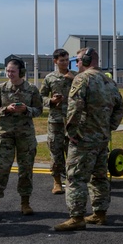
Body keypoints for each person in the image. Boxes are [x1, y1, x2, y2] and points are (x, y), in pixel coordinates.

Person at [54, 47, 123, 231]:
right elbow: (120, 108)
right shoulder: (109, 81)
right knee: (99, 176)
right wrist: (109, 127)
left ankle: (77, 217)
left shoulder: (82, 79)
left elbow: (75, 106)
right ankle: (100, 213)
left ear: (86, 60)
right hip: (101, 138)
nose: (75, 64)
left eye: (77, 60)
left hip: (83, 138)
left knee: (75, 177)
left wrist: (71, 131)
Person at [0, 56, 43, 219]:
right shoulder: (0, 89)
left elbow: (39, 110)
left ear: (21, 72)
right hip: (5, 135)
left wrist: (26, 110)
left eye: (13, 71)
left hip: (26, 136)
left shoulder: (32, 89)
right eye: (8, 71)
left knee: (26, 170)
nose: (10, 74)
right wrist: (6, 110)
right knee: (0, 170)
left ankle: (25, 203)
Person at [39, 48, 76, 194]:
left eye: (67, 60)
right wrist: (51, 101)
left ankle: (72, 181)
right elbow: (40, 97)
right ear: (55, 61)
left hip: (73, 120)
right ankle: (57, 182)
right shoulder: (49, 78)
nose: (65, 63)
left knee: (73, 152)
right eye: (62, 60)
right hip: (56, 121)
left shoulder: (76, 76)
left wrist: (73, 79)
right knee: (56, 152)